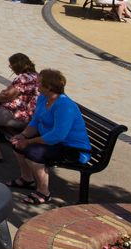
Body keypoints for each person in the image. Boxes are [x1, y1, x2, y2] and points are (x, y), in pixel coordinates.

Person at [7, 69, 91, 205]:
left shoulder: (64, 105)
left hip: (72, 149)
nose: (36, 85)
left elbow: (58, 135)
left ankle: (43, 192)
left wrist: (28, 142)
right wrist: (22, 135)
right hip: (54, 142)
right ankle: (27, 179)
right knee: (17, 143)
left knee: (32, 153)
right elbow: (35, 121)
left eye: (39, 83)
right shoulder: (43, 98)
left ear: (49, 87)